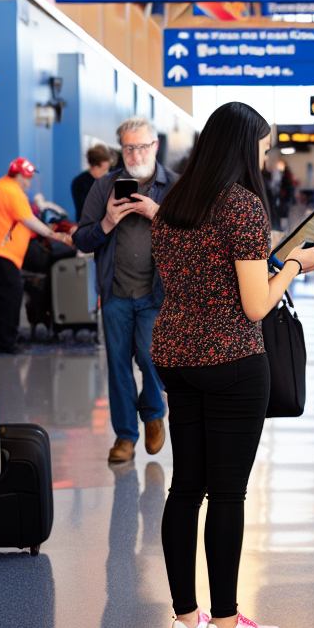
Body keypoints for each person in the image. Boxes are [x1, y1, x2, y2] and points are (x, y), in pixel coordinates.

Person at [153, 101, 314, 628]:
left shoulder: (173, 202)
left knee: (185, 487)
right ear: (244, 145)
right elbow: (254, 306)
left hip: (177, 356)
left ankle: (184, 622)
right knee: (227, 493)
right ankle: (225, 626)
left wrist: (265, 263)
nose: (267, 157)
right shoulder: (242, 206)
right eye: (265, 147)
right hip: (230, 360)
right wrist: (295, 265)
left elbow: (198, 280)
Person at [73, 117, 177, 463]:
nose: (135, 154)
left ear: (155, 146)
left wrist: (156, 214)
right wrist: (107, 222)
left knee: (151, 358)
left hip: (156, 295)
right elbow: (81, 238)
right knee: (117, 365)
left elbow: (189, 239)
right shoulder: (104, 187)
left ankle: (152, 413)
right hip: (115, 292)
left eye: (142, 146)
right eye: (128, 147)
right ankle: (125, 436)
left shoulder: (174, 187)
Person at [0, 158, 75, 354]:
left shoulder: (3, 187)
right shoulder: (12, 191)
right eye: (28, 178)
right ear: (20, 175)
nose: (29, 182)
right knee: (9, 297)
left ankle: (1, 338)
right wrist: (56, 235)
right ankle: (4, 343)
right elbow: (29, 220)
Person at [72, 144, 113, 222]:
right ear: (95, 166)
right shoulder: (80, 183)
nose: (106, 172)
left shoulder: (106, 182)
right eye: (105, 169)